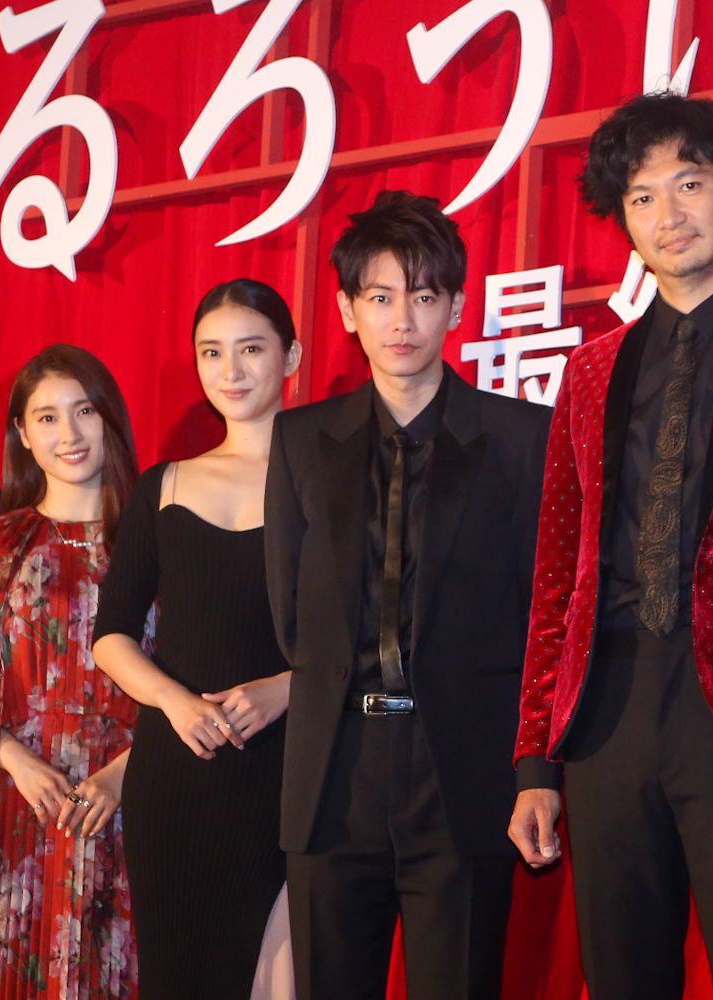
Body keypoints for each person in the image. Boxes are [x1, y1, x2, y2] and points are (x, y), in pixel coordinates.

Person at [507, 93, 713, 1000]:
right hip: (606, 711)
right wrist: (536, 760)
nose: (668, 214)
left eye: (689, 184)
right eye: (642, 197)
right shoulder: (590, 369)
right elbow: (557, 573)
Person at [264, 190, 550, 999]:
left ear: (455, 308)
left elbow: (540, 619)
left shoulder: (520, 438)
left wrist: (534, 771)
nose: (403, 320)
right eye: (381, 298)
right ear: (347, 311)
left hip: (460, 771)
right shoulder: (301, 441)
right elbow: (291, 614)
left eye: (424, 297)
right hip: (334, 773)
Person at [0, 344, 142, 1000]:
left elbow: (196, 679)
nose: (69, 433)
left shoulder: (158, 545)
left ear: (110, 418)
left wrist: (122, 775)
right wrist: (14, 758)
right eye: (47, 417)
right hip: (13, 819)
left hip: (131, 812)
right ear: (22, 433)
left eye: (85, 411)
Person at [93, 280, 300, 1000]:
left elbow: (368, 631)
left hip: (293, 771)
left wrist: (287, 689)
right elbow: (112, 635)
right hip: (178, 777)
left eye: (251, 349)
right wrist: (175, 703)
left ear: (291, 357)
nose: (231, 370)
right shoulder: (164, 486)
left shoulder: (333, 484)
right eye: (212, 352)